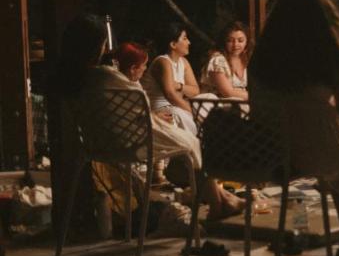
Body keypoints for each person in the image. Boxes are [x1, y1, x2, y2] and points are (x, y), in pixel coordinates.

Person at [52, 22, 243, 231]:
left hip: (96, 143)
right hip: (132, 141)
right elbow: (138, 98)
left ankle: (224, 199)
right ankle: (218, 204)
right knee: (194, 144)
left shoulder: (73, 81)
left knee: (189, 146)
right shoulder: (105, 76)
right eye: (103, 45)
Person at [250, 0, 339, 256]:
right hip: (320, 153)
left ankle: (329, 191)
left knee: (326, 132)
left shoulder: (260, 59)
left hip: (270, 154)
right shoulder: (330, 57)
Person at [143, 22, 201, 134]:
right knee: (180, 114)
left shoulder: (183, 62)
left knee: (209, 97)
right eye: (185, 38)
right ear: (173, 44)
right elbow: (170, 95)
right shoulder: (163, 62)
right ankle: (194, 141)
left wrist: (179, 86)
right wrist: (192, 111)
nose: (189, 42)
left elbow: (195, 91)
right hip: (163, 108)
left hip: (178, 105)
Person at [199, 21, 251, 100]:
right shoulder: (217, 60)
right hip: (218, 103)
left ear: (247, 41)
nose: (235, 45)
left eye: (240, 40)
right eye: (230, 40)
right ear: (224, 41)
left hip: (241, 101)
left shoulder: (246, 58)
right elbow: (228, 93)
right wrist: (257, 97)